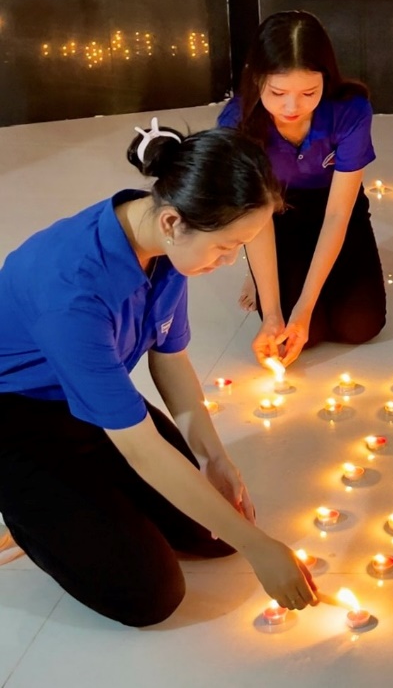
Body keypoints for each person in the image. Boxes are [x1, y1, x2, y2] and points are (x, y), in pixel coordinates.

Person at [0, 121, 317, 627]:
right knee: (149, 595)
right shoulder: (72, 291)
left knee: (211, 537)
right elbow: (142, 447)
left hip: (92, 404)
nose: (230, 259)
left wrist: (215, 460)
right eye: (225, 246)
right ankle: (29, 512)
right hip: (18, 421)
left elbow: (169, 358)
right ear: (173, 222)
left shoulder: (161, 245)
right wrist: (260, 548)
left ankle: (85, 497)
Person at [220, 10, 385, 365]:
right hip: (274, 215)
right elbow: (256, 217)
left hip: (336, 211)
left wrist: (304, 309)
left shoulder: (350, 111)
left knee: (361, 326)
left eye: (308, 92)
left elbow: (339, 213)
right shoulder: (237, 123)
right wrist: (274, 315)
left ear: (325, 79)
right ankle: (259, 275)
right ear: (256, 78)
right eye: (278, 93)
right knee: (298, 337)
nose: (292, 107)